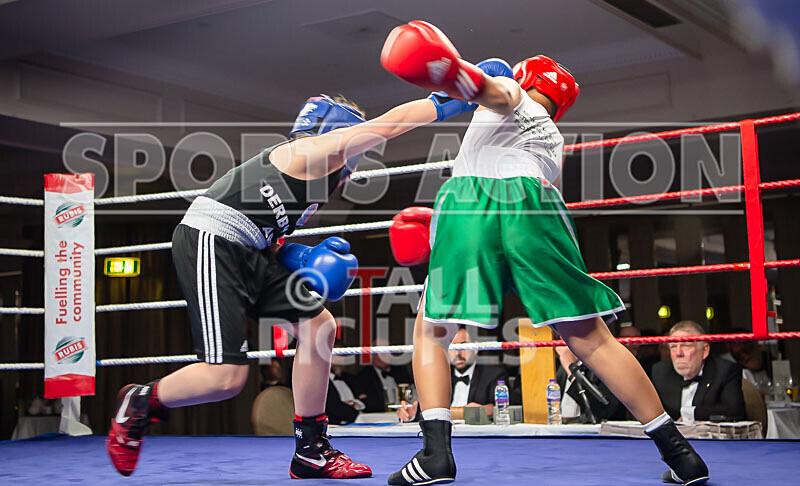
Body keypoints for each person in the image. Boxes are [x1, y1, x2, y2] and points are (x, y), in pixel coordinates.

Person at [381, 20, 708, 485]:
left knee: (431, 333)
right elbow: (516, 199)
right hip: (540, 210)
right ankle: (680, 455)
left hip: (471, 204)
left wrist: (449, 71)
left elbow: (489, 93)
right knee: (593, 340)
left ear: (524, 78)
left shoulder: (511, 93)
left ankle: (435, 455)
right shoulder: (553, 141)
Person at [105, 93, 445, 479]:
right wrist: (455, 93)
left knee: (320, 327)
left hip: (251, 250)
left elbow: (269, 234)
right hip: (213, 240)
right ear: (338, 132)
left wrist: (299, 259)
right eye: (355, 145)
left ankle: (311, 450)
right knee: (225, 378)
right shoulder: (310, 152)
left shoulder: (319, 175)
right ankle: (139, 401)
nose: (357, 158)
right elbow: (392, 122)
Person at [397, 327, 508, 422]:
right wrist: (411, 414)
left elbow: (509, 407)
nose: (458, 353)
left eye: (463, 346)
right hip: (444, 434)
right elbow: (428, 411)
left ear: (475, 348)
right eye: (452, 347)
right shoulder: (439, 376)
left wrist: (490, 410)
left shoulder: (493, 374)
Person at [652, 321, 746, 423]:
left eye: (686, 346)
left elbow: (734, 412)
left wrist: (690, 415)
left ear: (704, 351)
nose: (678, 353)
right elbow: (648, 412)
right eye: (673, 347)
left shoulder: (726, 370)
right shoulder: (660, 372)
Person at [555, 345, 626, 423]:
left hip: (602, 431)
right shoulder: (559, 366)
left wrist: (571, 370)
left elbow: (600, 411)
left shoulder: (606, 364)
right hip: (566, 429)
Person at [348, 338, 412, 412]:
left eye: (386, 351)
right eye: (379, 351)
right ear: (371, 355)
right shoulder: (363, 377)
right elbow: (368, 405)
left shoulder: (401, 371)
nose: (383, 356)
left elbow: (412, 395)